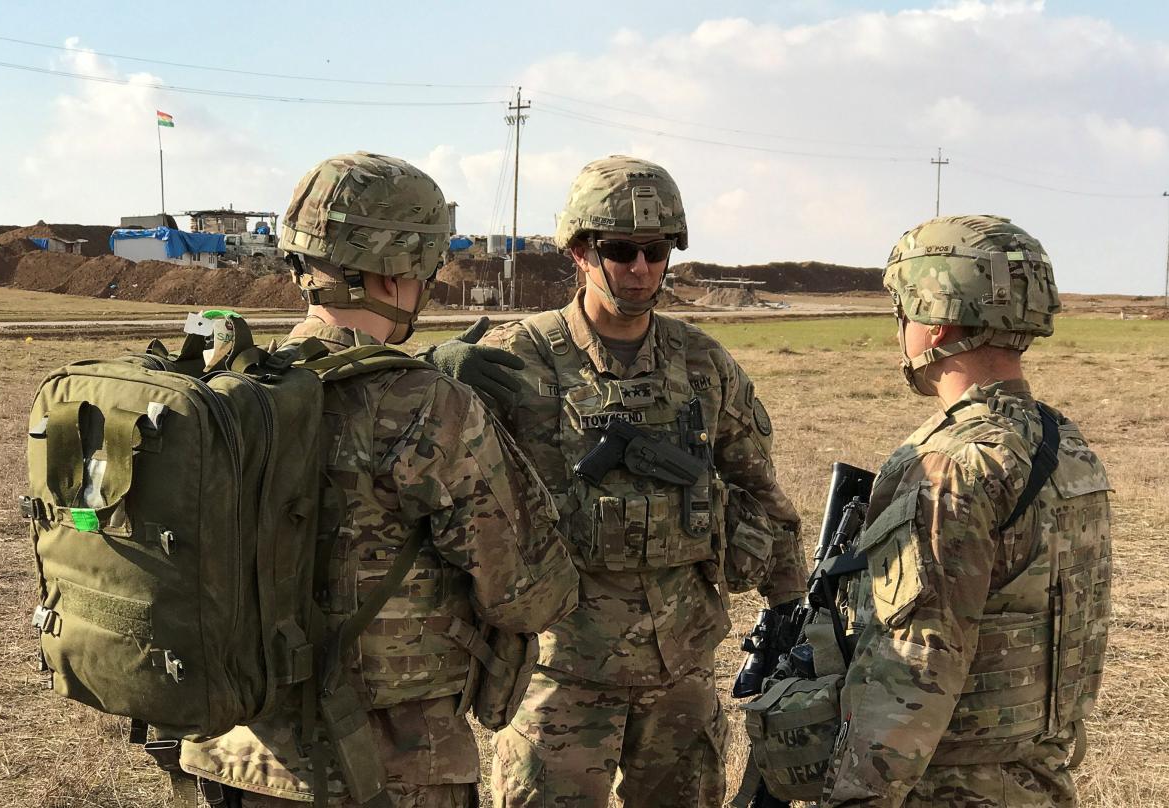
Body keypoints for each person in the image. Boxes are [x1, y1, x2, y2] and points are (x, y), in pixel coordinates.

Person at [179, 151, 580, 807]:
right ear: (400, 272)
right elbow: (531, 596)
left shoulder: (229, 388)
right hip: (388, 771)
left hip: (234, 755)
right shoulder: (430, 405)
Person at [428, 155, 807, 807]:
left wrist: (791, 611)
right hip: (557, 669)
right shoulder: (520, 357)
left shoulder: (702, 363)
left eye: (656, 251)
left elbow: (759, 494)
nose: (640, 268)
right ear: (579, 252)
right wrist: (433, 379)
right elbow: (428, 476)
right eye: (621, 250)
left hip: (681, 668)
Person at [820, 215, 1113, 807]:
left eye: (903, 312)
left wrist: (856, 796)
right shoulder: (1064, 444)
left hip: (950, 787)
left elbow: (913, 668)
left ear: (937, 322)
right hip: (1038, 776)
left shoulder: (951, 466)